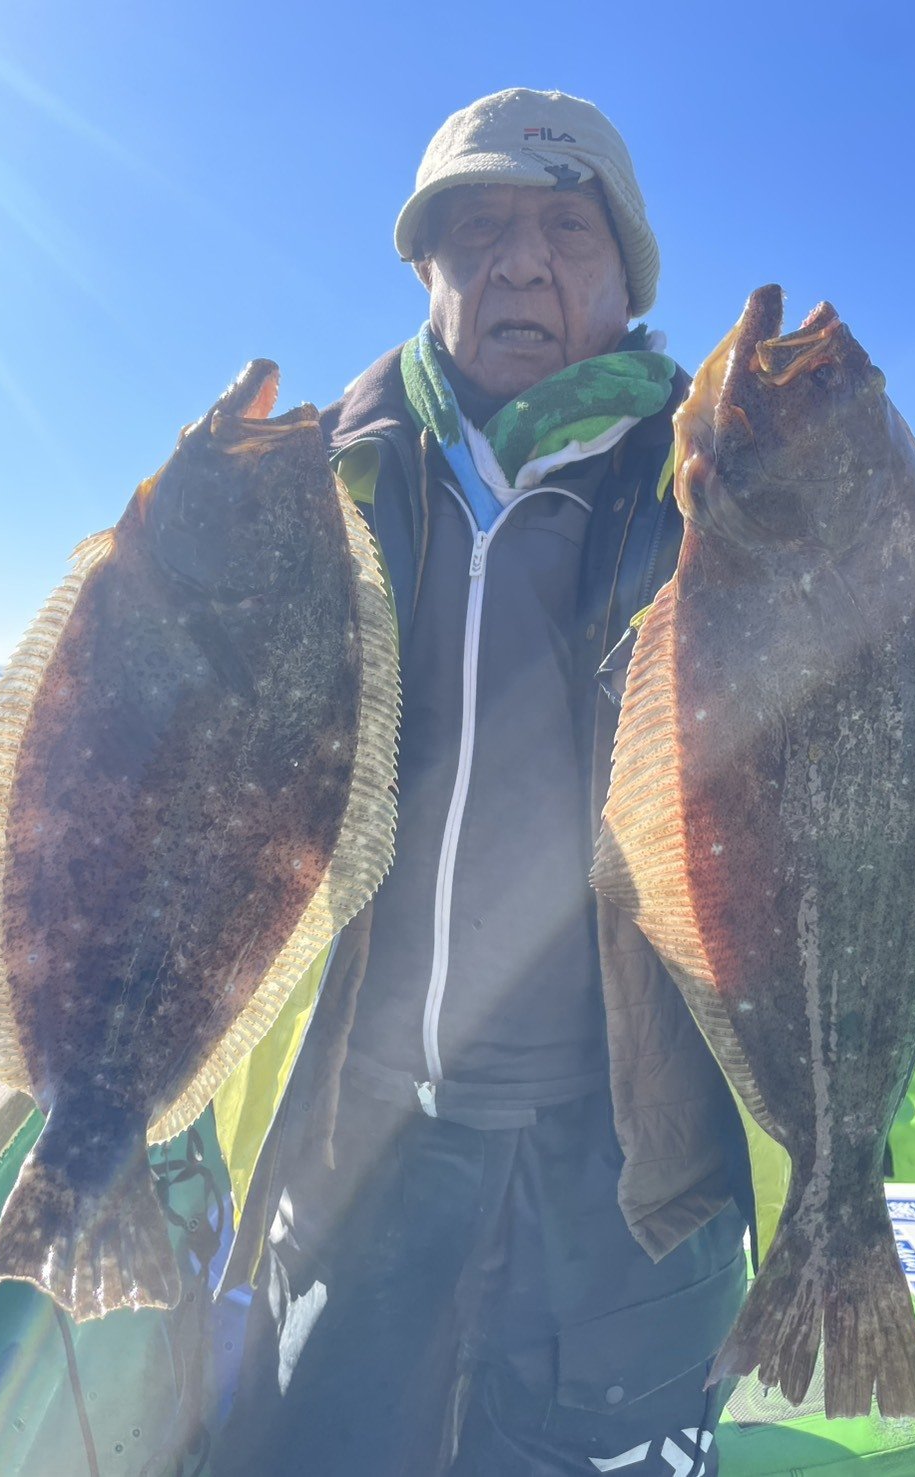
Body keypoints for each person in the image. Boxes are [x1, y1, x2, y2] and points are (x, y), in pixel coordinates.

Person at [214, 87, 752, 1477]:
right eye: (478, 231)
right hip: (359, 1129)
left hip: (632, 1167)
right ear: (426, 271)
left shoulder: (730, 490)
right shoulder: (313, 486)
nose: (520, 264)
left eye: (567, 229)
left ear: (629, 276)